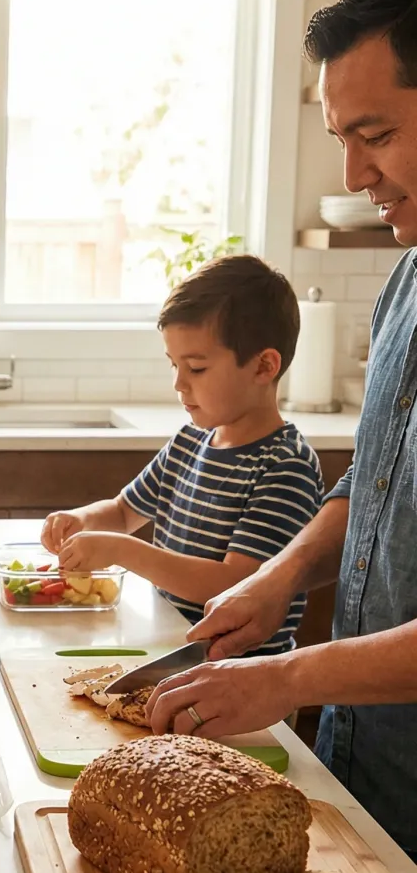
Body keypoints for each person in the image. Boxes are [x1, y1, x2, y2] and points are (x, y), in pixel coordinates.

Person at [144, 0, 417, 860]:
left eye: (373, 134)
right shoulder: (405, 283)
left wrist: (283, 677)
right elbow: (376, 486)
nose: (352, 173)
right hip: (364, 760)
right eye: (343, 137)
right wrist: (281, 574)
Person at [42, 255, 324, 654]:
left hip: (243, 677)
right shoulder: (190, 442)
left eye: (196, 368)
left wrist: (119, 550)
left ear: (263, 367)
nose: (178, 383)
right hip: (173, 652)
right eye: (174, 364)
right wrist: (81, 521)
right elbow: (124, 512)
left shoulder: (285, 466)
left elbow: (234, 584)